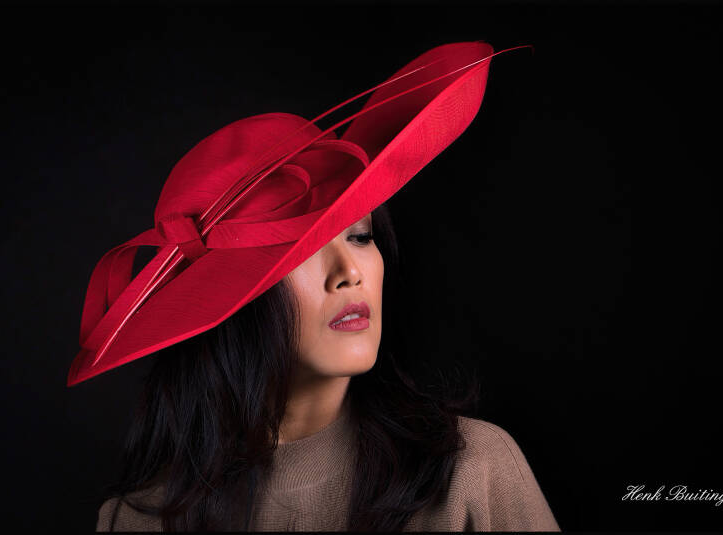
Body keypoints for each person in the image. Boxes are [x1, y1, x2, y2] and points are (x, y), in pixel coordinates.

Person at [72, 41, 560, 531]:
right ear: (230, 300)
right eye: (302, 252)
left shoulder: (472, 470)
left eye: (361, 236)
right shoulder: (134, 520)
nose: (351, 271)